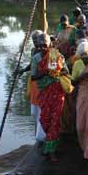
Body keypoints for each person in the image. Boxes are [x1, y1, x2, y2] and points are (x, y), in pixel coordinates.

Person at [31, 33, 69, 163]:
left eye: (44, 46)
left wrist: (57, 70)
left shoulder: (57, 56)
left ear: (50, 45)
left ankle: (51, 151)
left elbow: (66, 72)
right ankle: (49, 143)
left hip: (57, 92)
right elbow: (33, 77)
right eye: (39, 46)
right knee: (45, 120)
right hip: (44, 92)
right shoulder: (36, 58)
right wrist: (45, 71)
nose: (42, 49)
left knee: (55, 121)